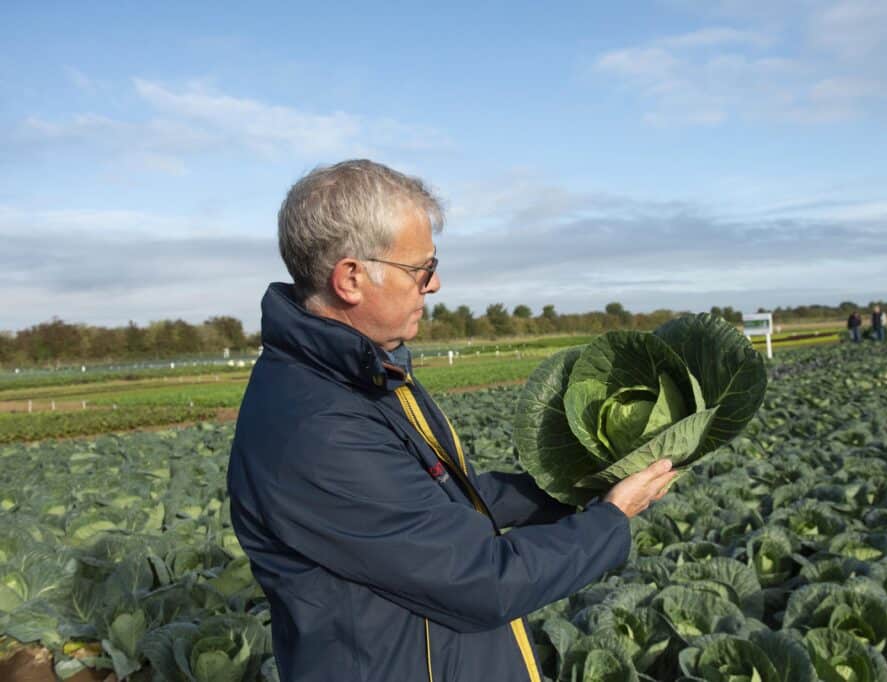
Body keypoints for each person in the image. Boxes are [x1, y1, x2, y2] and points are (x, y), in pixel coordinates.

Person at [227, 160, 677, 682]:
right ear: (350, 278)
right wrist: (611, 517)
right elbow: (483, 581)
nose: (435, 284)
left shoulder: (360, 372)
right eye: (420, 269)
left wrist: (571, 487)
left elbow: (437, 501)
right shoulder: (316, 429)